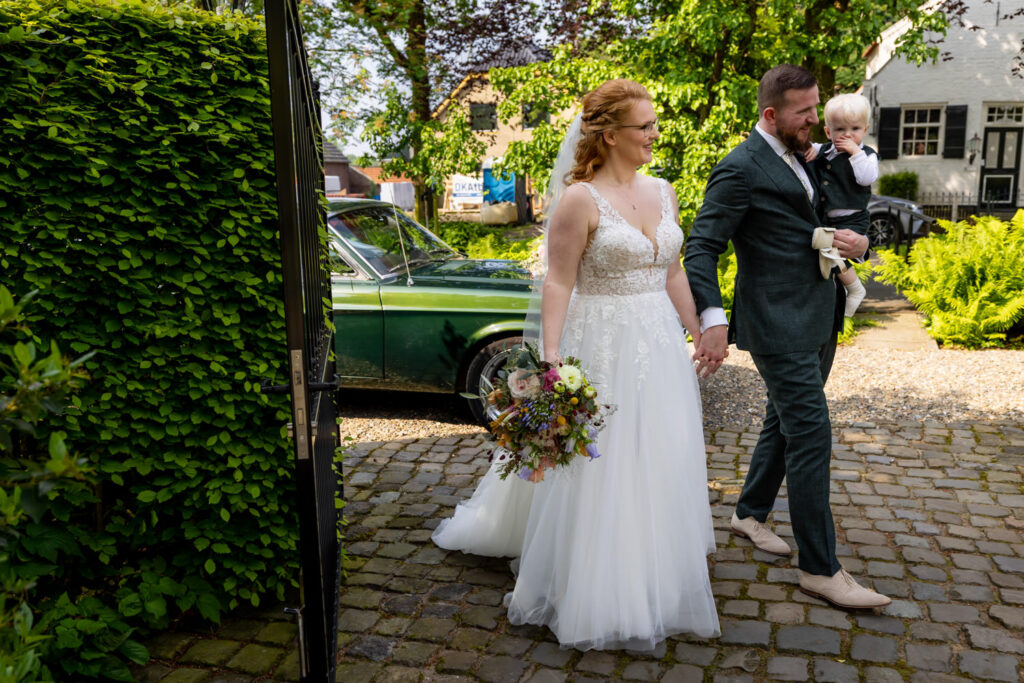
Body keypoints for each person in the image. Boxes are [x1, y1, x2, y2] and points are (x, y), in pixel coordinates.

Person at [433, 79, 720, 650]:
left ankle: (650, 559)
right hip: (601, 338)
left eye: (654, 124)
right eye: (645, 127)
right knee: (600, 458)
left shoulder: (664, 192)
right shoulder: (578, 201)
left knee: (655, 448)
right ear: (610, 135)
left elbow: (671, 271)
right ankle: (593, 575)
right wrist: (552, 359)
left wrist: (700, 327)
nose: (655, 136)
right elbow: (558, 281)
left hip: (656, 341)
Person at [684, 65, 890, 609]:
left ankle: (749, 513)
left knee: (784, 419)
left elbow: (838, 211)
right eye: (804, 111)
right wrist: (711, 318)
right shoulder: (740, 168)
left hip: (821, 315)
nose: (816, 120)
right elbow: (701, 248)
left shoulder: (807, 157)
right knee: (811, 434)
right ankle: (820, 569)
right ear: (772, 115)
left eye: (817, 107)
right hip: (777, 325)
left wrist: (859, 244)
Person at [805, 93, 878, 317]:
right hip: (828, 219)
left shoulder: (866, 155)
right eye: (840, 130)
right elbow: (817, 148)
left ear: (865, 130)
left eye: (854, 129)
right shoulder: (825, 150)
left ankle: (855, 288)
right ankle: (851, 287)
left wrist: (855, 152)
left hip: (852, 219)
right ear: (829, 132)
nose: (847, 135)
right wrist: (813, 149)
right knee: (826, 251)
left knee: (829, 249)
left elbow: (867, 178)